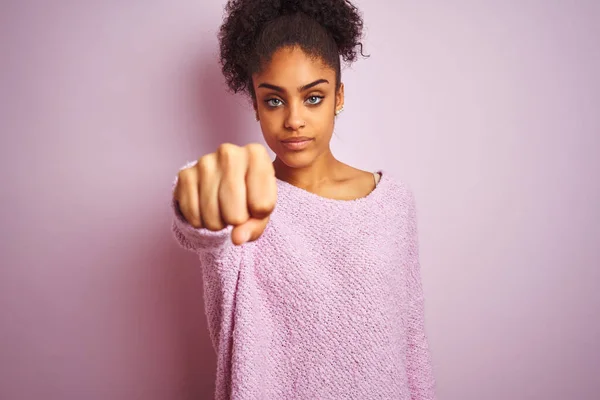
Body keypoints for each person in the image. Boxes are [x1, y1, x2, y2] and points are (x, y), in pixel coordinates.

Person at [172, 0, 436, 398]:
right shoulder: (244, 199)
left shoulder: (393, 203)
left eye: (313, 97)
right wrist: (196, 201)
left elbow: (411, 340)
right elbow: (205, 227)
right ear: (256, 106)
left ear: (339, 98)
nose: (293, 119)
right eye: (274, 100)